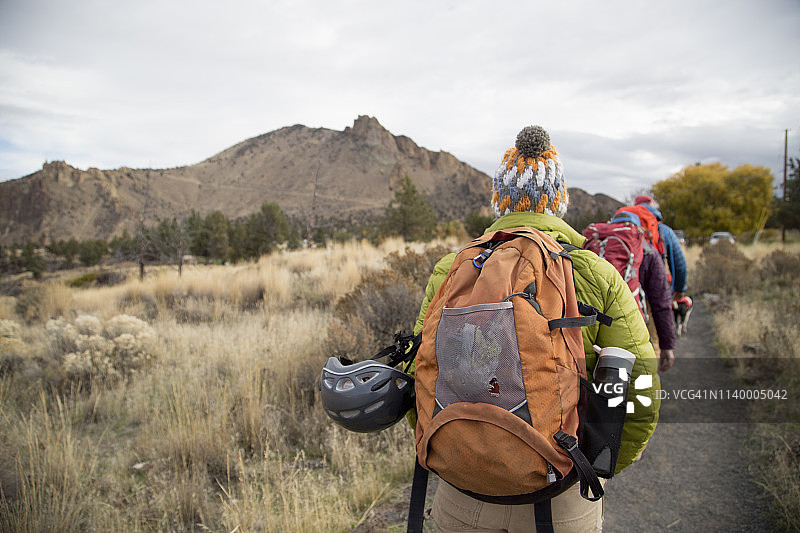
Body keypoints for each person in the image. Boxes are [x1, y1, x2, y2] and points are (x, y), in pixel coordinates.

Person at [411, 126, 661, 532]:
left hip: (462, 495)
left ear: (499, 200)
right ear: (559, 201)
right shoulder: (593, 271)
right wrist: (599, 461)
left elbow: (418, 373)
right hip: (560, 493)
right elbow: (641, 387)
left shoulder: (451, 268)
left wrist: (453, 450)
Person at [634, 195, 688, 301]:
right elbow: (680, 265)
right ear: (652, 206)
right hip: (654, 291)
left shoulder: (624, 229)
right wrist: (679, 290)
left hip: (628, 293)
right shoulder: (663, 230)